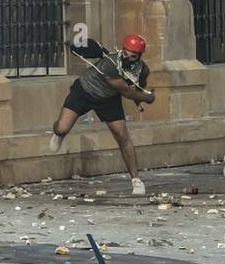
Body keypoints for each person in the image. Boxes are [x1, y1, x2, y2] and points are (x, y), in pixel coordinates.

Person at [50, 33, 154, 195]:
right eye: (125, 53)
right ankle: (57, 134)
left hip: (108, 99)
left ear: (139, 56)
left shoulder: (143, 70)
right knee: (62, 128)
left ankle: (136, 181)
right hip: (84, 90)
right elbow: (126, 92)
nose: (127, 57)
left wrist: (139, 98)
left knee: (122, 136)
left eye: (132, 55)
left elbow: (136, 89)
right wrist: (147, 98)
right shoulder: (110, 64)